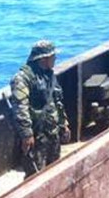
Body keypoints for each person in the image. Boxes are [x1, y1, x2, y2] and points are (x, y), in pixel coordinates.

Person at [10, 40, 70, 177]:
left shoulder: (49, 75)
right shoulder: (22, 79)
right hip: (37, 137)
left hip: (52, 133)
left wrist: (63, 123)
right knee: (35, 175)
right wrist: (26, 134)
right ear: (43, 59)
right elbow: (20, 107)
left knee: (54, 172)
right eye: (53, 56)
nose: (55, 59)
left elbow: (56, 101)